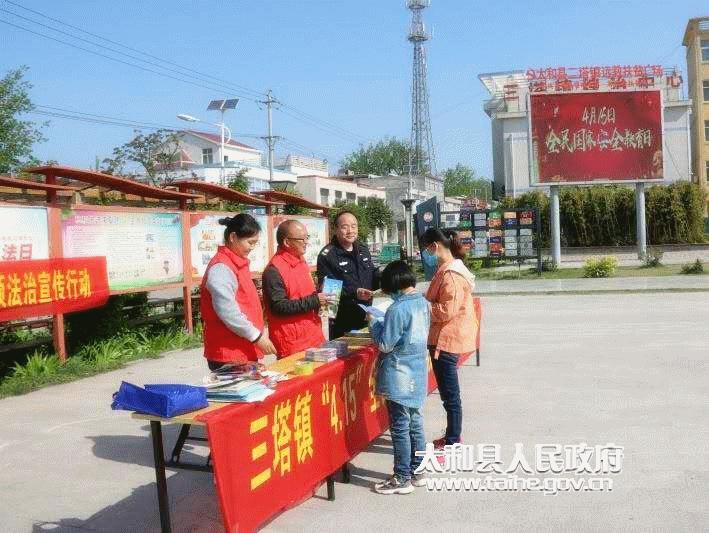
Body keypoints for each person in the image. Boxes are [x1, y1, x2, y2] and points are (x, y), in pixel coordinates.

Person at [368, 260, 430, 494]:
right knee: (415, 422)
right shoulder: (423, 303)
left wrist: (374, 324)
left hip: (398, 373)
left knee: (400, 426)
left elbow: (385, 344)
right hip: (417, 371)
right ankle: (418, 471)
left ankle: (402, 477)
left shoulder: (397, 309)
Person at [420, 227, 477, 451]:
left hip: (447, 339)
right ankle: (452, 436)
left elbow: (446, 310)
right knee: (448, 393)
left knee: (450, 395)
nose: (425, 254)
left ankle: (453, 440)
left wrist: (422, 307)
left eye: (426, 249)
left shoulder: (451, 274)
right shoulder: (445, 269)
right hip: (444, 337)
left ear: (434, 246)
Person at [200, 214, 276, 370]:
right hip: (229, 351)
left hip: (241, 348)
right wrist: (256, 337)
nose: (252, 247)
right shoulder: (221, 267)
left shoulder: (236, 263)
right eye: (250, 242)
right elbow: (228, 311)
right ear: (233, 237)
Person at [262, 220, 330, 358]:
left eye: (307, 237)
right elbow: (279, 307)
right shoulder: (273, 270)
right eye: (302, 239)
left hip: (313, 336)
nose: (306, 242)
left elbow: (303, 295)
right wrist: (314, 300)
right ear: (287, 242)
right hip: (292, 342)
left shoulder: (301, 261)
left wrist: (321, 297)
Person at [317, 210, 379, 339]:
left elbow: (372, 274)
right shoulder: (327, 255)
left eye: (354, 226)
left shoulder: (363, 249)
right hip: (343, 321)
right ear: (335, 229)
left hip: (367, 315)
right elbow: (328, 297)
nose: (350, 231)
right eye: (345, 227)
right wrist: (354, 293)